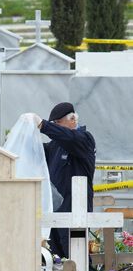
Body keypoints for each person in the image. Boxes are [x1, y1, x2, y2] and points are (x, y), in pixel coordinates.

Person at [33, 102, 96, 259]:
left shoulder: (84, 139)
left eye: (58, 123)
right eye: (54, 124)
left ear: (73, 119)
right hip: (56, 212)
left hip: (75, 211)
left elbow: (69, 138)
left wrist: (44, 125)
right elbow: (38, 153)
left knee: (77, 259)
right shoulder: (56, 146)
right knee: (55, 258)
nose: (56, 127)